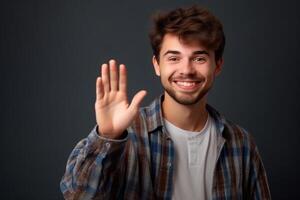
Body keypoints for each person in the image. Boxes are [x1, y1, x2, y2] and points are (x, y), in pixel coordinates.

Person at [60, 5, 271, 200]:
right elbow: (77, 195)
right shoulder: (126, 135)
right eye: (173, 58)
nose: (186, 70)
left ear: (217, 66)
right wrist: (107, 137)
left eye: (199, 58)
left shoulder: (241, 144)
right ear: (157, 65)